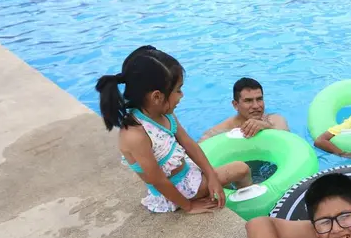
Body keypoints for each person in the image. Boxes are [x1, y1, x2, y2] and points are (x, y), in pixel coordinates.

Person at [96, 46, 252, 214]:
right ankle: (250, 205)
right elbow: (157, 180)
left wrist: (211, 175)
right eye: (178, 90)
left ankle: (225, 192)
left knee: (218, 175)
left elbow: (188, 143)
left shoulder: (162, 113)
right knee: (241, 168)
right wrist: (188, 206)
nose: (182, 95)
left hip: (188, 175)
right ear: (157, 96)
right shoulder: (135, 135)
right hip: (183, 191)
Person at [200, 77, 289, 140]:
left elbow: (288, 139)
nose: (256, 106)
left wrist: (266, 126)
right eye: (248, 100)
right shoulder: (220, 130)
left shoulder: (274, 120)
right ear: (235, 105)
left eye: (259, 99)